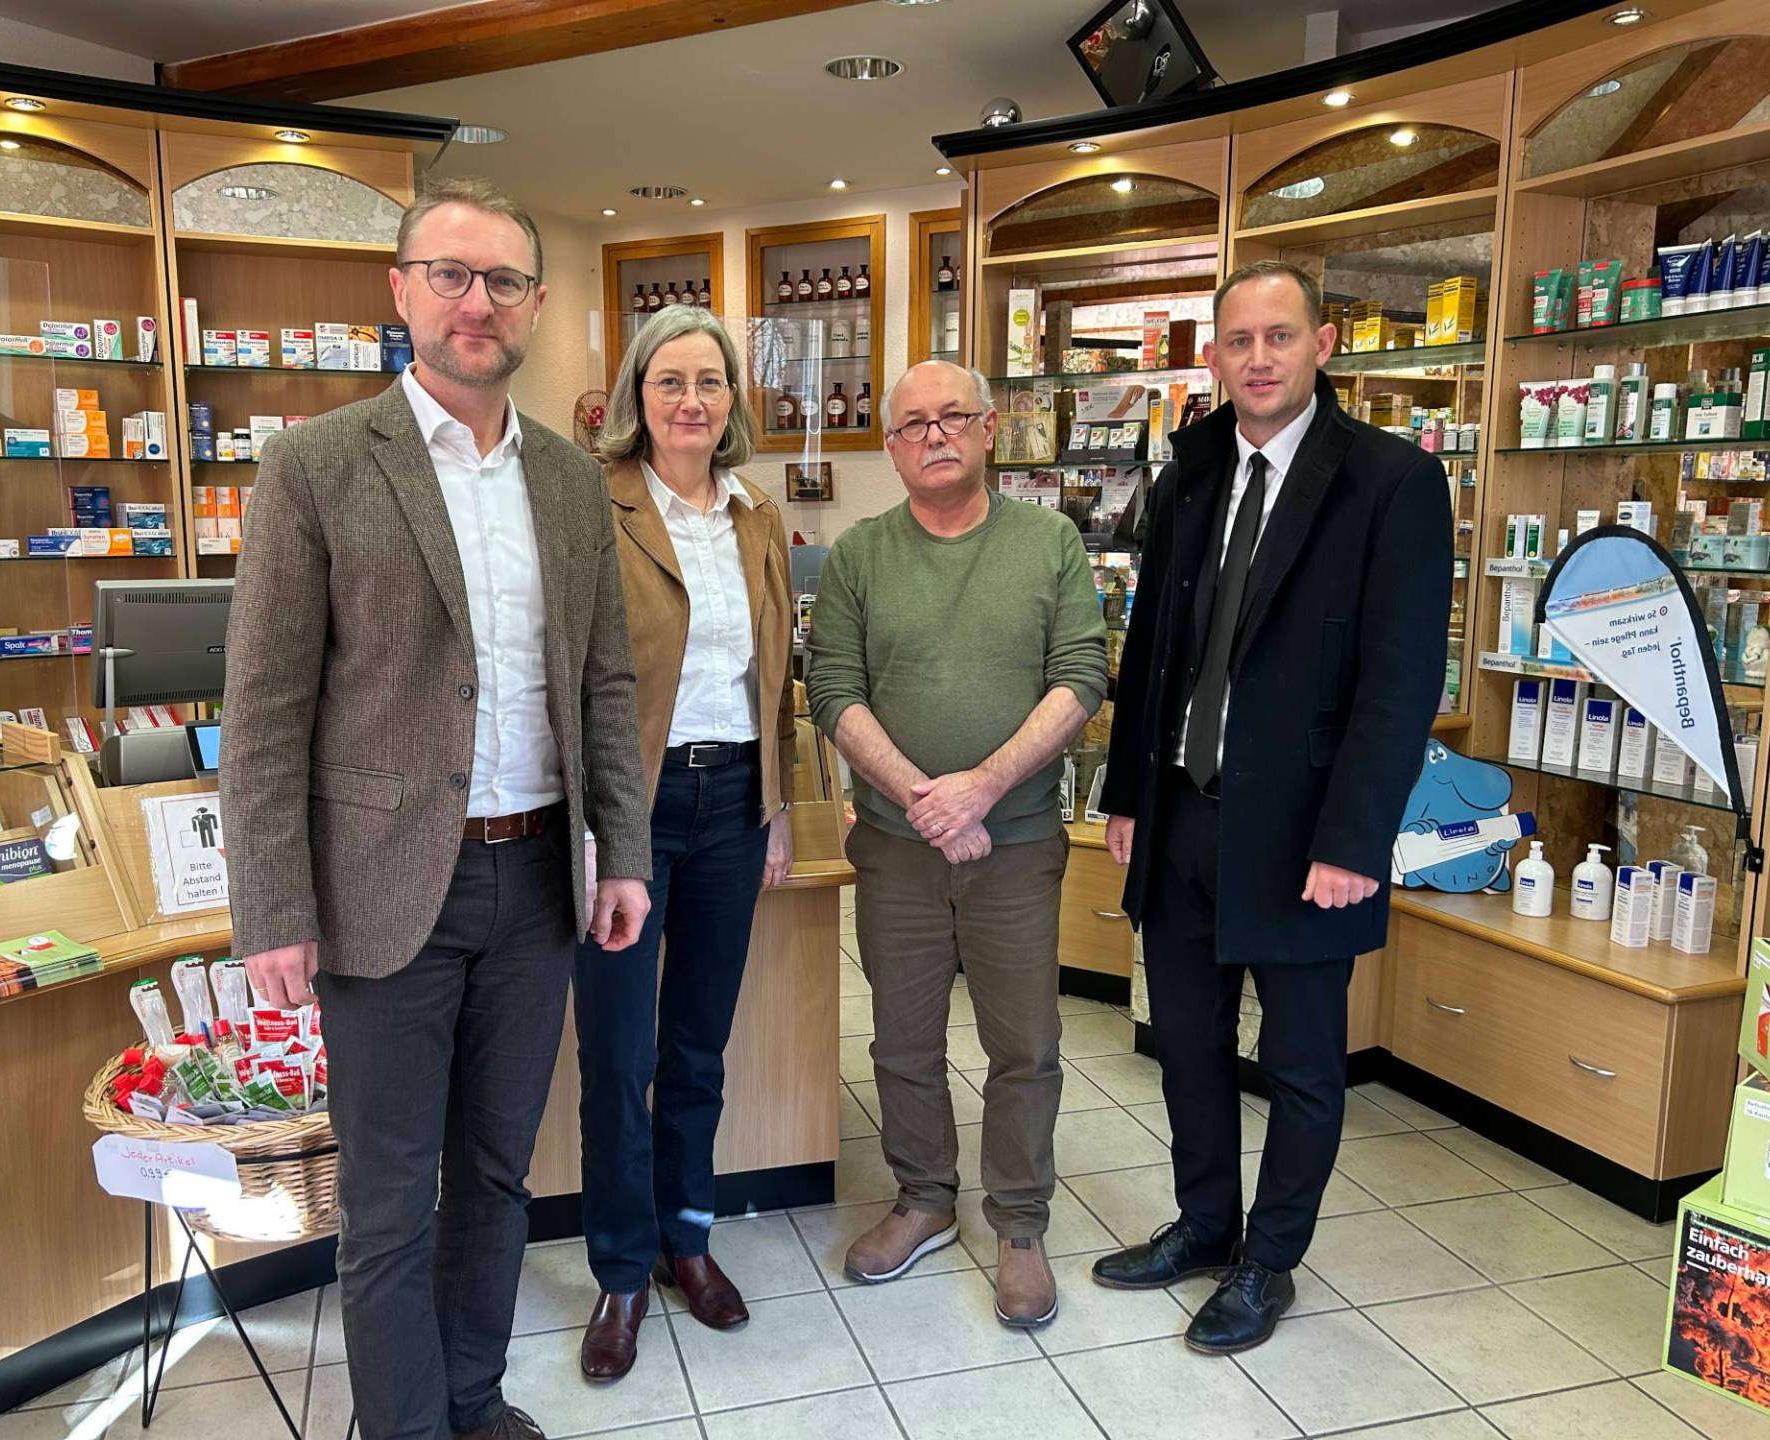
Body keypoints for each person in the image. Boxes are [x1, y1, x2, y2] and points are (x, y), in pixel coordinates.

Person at [221, 176, 653, 1440]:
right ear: (401, 291)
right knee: (391, 1200)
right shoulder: (315, 464)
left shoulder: (570, 481)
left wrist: (622, 851)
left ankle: (473, 1400)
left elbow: (605, 683)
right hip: (381, 890)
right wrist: (273, 906)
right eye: (451, 275)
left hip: (536, 886)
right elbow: (264, 709)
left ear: (535, 303)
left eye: (504, 280)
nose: (478, 302)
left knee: (497, 1177)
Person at [1092, 260, 1450, 1353]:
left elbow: (1401, 683)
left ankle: (1269, 1261)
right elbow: (1151, 652)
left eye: (1279, 336)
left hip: (1308, 837)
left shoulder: (1391, 481)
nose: (1257, 358)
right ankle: (1206, 1225)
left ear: (1322, 344)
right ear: (1213, 355)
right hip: (1184, 814)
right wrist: (1127, 794)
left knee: (1298, 1066)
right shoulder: (1191, 471)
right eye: (1238, 340)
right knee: (1185, 1043)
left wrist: (1355, 841)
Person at [805, 360, 1107, 1330]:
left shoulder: (1048, 543)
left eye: (952, 418)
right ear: (892, 447)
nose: (933, 435)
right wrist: (921, 796)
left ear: (986, 431)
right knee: (902, 1039)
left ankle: (1019, 1223)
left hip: (1015, 842)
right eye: (912, 424)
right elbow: (833, 691)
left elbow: (1081, 675)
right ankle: (925, 1198)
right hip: (897, 848)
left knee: (1025, 1043)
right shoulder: (860, 555)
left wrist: (982, 787)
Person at [572, 305, 798, 1380]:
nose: (691, 401)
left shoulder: (757, 514)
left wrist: (778, 805)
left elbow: (777, 676)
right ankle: (621, 1269)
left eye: (710, 382)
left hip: (733, 802)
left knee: (698, 1046)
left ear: (732, 401)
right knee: (619, 1056)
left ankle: (685, 1241)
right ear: (637, 394)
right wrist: (591, 826)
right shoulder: (592, 504)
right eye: (670, 381)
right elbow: (568, 671)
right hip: (631, 810)